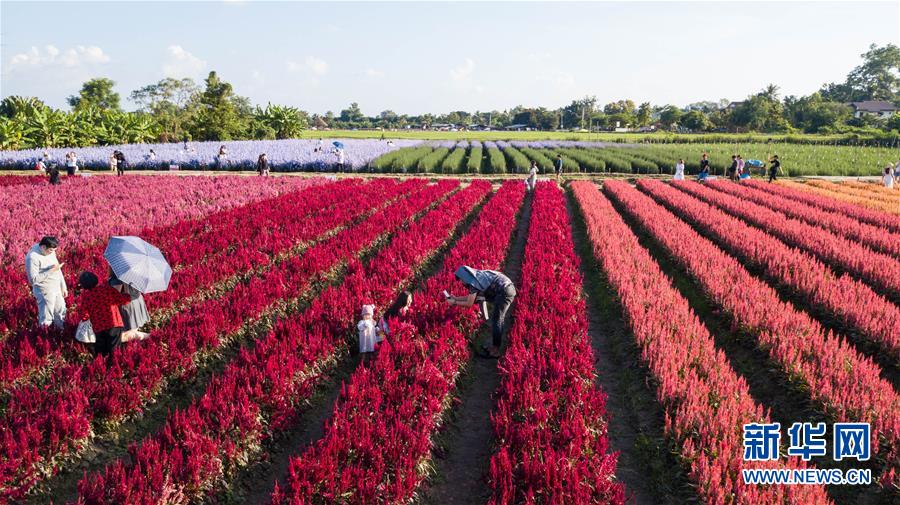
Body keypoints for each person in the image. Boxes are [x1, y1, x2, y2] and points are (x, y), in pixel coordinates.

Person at [446, 266, 516, 358]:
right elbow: (472, 298)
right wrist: (455, 298)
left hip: (504, 291)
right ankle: (493, 347)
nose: (461, 282)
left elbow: (469, 303)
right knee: (497, 319)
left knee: (497, 320)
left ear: (465, 277)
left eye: (461, 280)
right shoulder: (476, 277)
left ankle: (495, 351)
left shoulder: (473, 283)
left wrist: (454, 302)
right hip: (506, 288)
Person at [77, 271, 148, 356]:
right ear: (96, 279)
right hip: (114, 323)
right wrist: (127, 294)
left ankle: (103, 363)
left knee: (101, 347)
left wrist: (87, 318)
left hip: (98, 327)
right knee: (114, 347)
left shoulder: (86, 297)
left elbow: (83, 314)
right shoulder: (106, 289)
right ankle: (114, 363)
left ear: (83, 286)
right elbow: (122, 300)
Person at [25, 236, 68, 329]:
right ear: (43, 247)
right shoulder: (32, 258)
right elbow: (33, 280)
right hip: (44, 291)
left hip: (56, 287)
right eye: (51, 250)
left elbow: (57, 269)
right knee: (46, 318)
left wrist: (63, 286)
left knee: (61, 312)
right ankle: (45, 336)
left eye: (54, 250)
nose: (53, 253)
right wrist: (50, 271)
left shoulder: (50, 250)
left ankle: (60, 334)